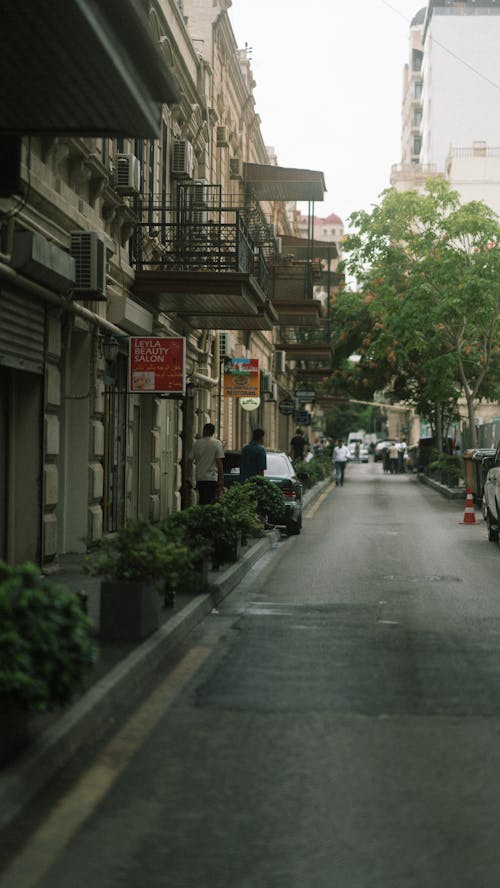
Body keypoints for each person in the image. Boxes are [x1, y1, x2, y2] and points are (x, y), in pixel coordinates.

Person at [186, 422, 224, 505]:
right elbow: (219, 462)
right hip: (212, 478)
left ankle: (202, 515)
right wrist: (221, 478)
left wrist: (188, 477)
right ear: (213, 432)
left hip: (200, 478)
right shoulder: (217, 443)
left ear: (204, 431)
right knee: (211, 501)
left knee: (202, 499)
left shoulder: (197, 443)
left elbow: (189, 461)